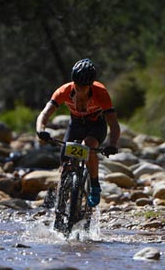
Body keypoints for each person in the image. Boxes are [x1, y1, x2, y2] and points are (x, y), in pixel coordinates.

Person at [35, 58, 121, 207]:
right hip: (75, 125)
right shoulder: (64, 91)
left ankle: (94, 185)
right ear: (73, 82)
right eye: (78, 85)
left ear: (91, 85)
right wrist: (41, 130)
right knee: (65, 162)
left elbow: (113, 124)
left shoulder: (101, 93)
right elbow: (44, 114)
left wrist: (112, 144)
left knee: (88, 146)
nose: (80, 89)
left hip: (96, 125)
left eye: (84, 86)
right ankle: (61, 202)